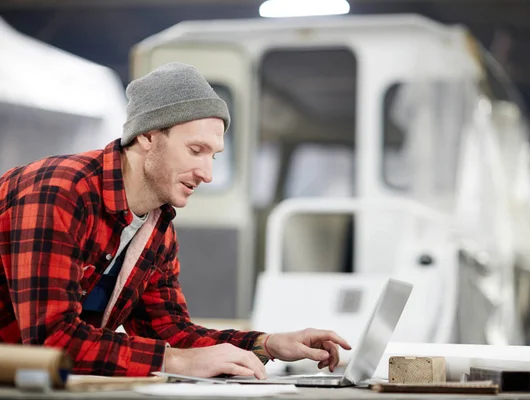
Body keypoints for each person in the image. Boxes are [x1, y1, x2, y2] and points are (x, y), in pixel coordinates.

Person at [0, 62, 351, 379]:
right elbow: (49, 340)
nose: (208, 173)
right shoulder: (60, 191)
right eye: (195, 150)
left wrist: (269, 344)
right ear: (147, 136)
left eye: (213, 155)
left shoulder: (156, 224)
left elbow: (169, 332)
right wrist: (178, 362)